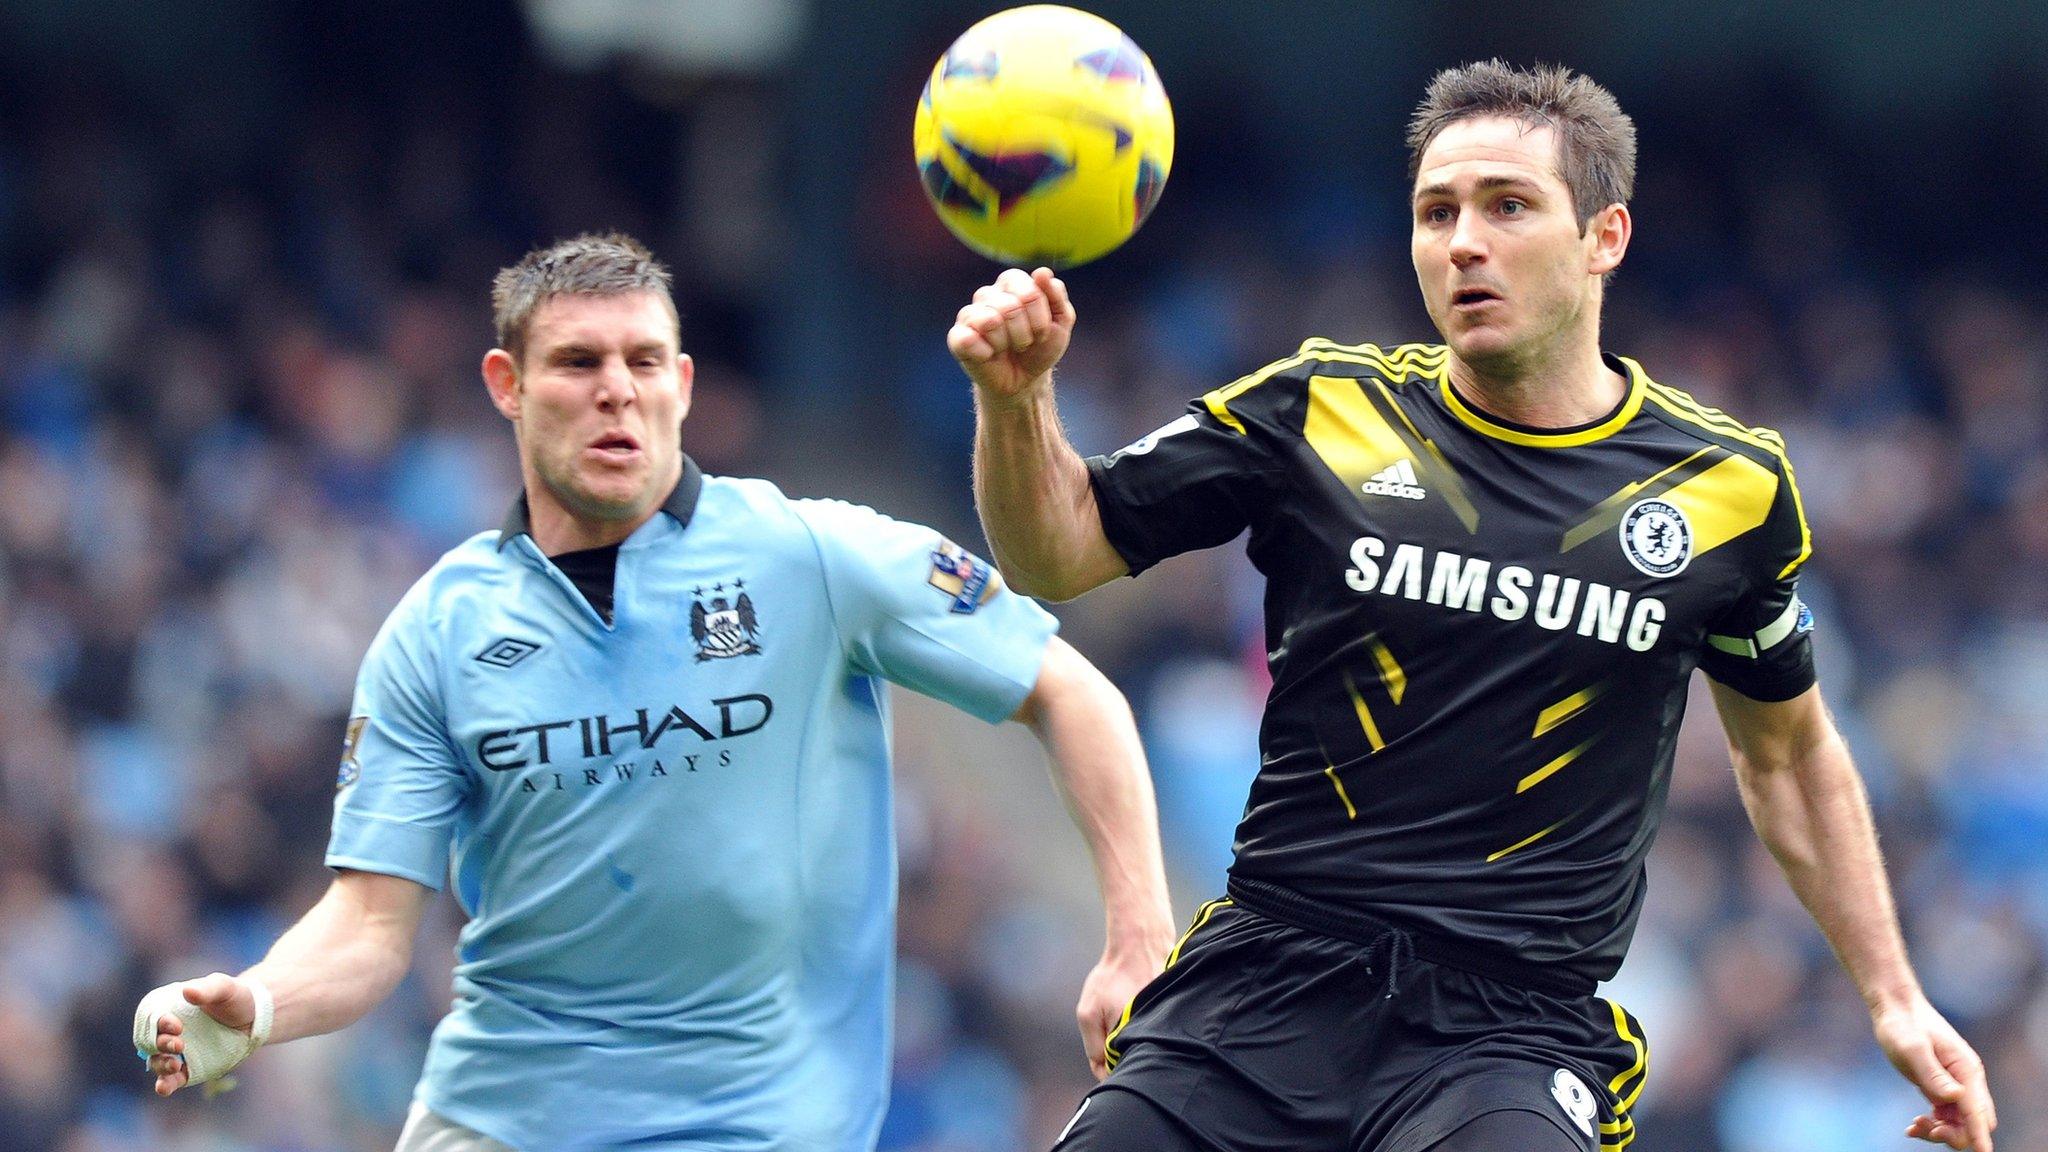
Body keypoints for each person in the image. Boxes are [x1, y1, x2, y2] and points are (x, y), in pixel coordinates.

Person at [950, 61, 1996, 1152]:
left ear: (1604, 237)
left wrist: (1892, 996)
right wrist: (1015, 400)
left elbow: (1784, 756)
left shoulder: (1724, 489)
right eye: (1433, 212)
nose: (1461, 242)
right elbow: (1056, 552)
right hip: (1261, 986)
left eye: (1506, 205)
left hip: (1509, 1033)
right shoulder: (1320, 407)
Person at [135, 232, 1178, 1151]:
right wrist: (259, 1004)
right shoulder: (438, 629)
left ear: (680, 382)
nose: (616, 391)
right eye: (578, 362)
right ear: (505, 382)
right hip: (501, 1118)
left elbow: (1069, 692)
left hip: (761, 1124)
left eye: (642, 362)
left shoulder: (814, 555)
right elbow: (366, 927)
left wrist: (1137, 937)